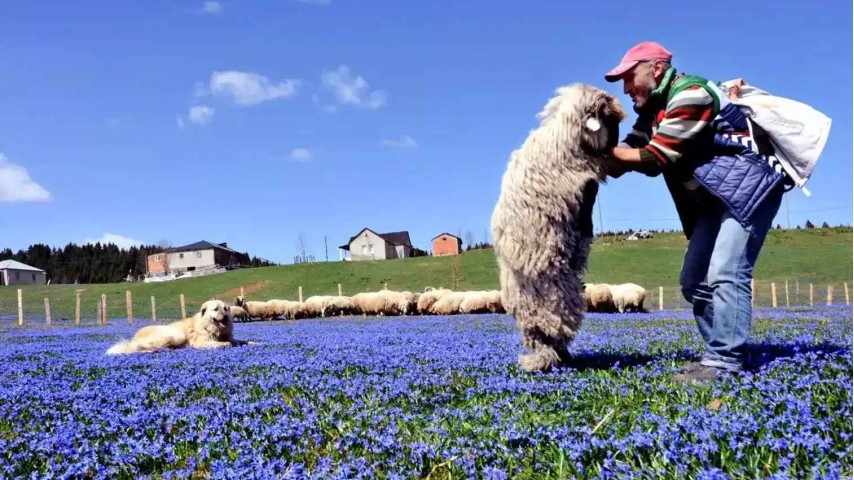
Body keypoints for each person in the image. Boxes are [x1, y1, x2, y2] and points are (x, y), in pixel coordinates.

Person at [602, 41, 791, 383]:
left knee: (726, 272)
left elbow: (656, 156)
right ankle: (717, 354)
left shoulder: (692, 94)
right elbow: (628, 149)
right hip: (714, 201)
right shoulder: (653, 112)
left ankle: (725, 362)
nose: (627, 89)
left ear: (655, 69)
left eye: (630, 78)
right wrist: (593, 150)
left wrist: (603, 155)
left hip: (746, 193)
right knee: (694, 280)